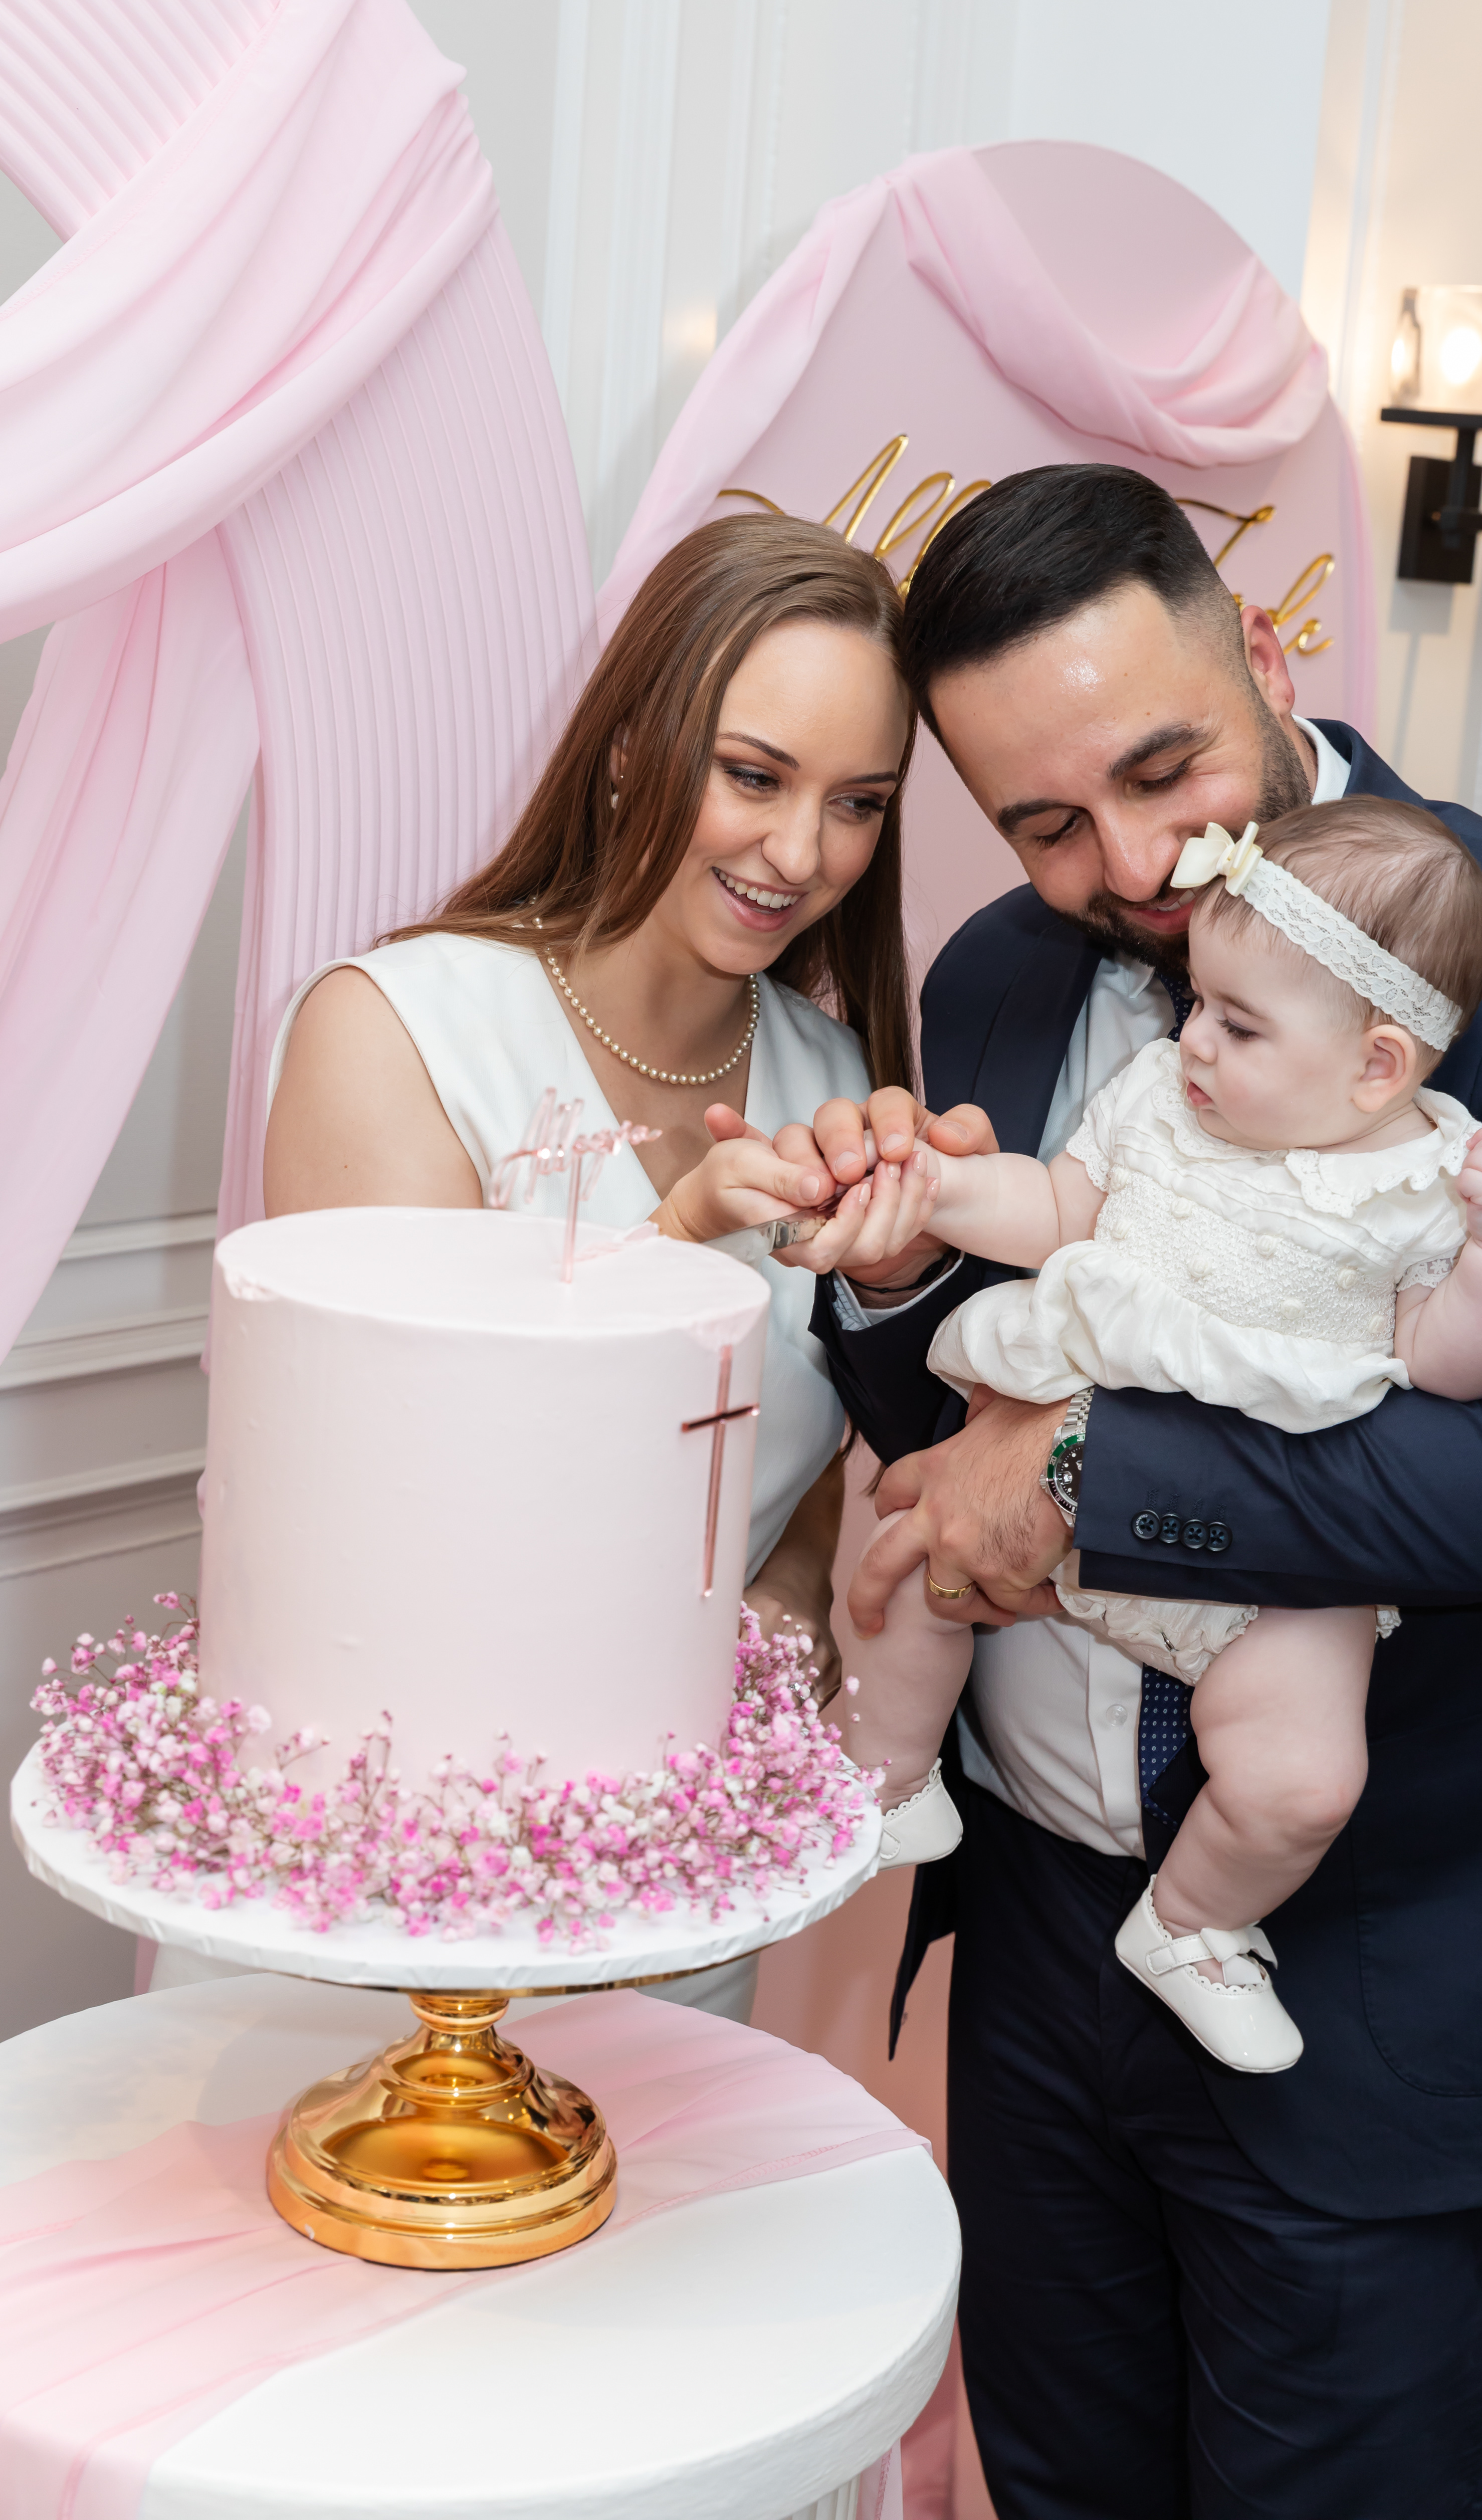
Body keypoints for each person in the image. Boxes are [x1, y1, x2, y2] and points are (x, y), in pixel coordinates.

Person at [786, 464, 1482, 2518]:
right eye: (1046, 823)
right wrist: (888, 1270)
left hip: (1362, 1963)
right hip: (1035, 1934)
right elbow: (954, 1372)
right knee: (1059, 2485)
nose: (1127, 865)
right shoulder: (1002, 972)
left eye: (1164, 770)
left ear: (1272, 657)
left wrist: (1090, 1474)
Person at [263, 512, 923, 2018]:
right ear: (632, 750)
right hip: (403, 1863)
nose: (801, 854)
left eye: (858, 804)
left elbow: (801, 1449)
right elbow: (402, 1489)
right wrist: (676, 1241)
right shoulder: (400, 1031)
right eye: (752, 775)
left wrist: (791, 1602)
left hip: (682, 1880)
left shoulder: (834, 1076)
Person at [815, 795, 1482, 2079]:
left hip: (1275, 1557)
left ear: (1378, 1066)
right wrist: (940, 1188)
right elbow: (1056, 1205)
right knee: (914, 1564)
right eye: (1198, 1003)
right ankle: (888, 1778)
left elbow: (1452, 1363)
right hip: (1062, 1432)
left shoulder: (1424, 1184)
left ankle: (1195, 1924)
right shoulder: (1160, 1095)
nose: (1194, 1038)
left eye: (1238, 1024)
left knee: (1303, 1780)